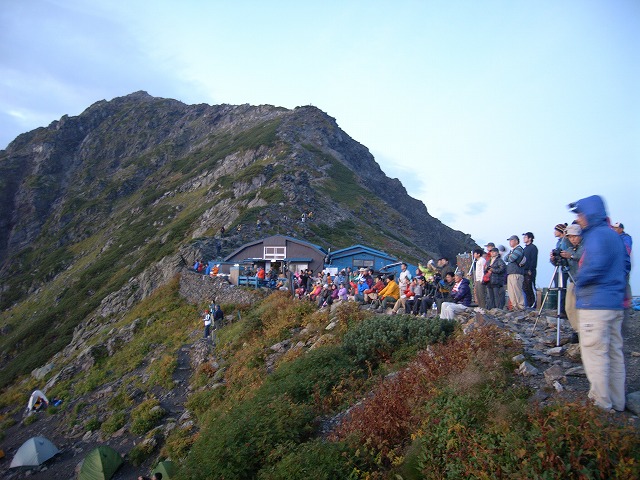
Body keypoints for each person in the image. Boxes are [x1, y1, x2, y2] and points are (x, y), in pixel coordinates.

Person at [569, 195, 627, 412]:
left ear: (589, 214)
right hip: (614, 303)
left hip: (596, 304)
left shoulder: (595, 237)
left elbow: (595, 266)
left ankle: (601, 405)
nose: (579, 219)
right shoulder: (613, 236)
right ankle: (618, 401)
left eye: (580, 214)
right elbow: (625, 264)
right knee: (614, 353)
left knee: (595, 353)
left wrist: (580, 282)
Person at [556, 223, 584, 334]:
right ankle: (577, 330)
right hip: (573, 280)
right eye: (570, 237)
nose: (572, 239)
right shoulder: (570, 248)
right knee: (569, 307)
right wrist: (556, 259)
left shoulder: (585, 247)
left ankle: (582, 331)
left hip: (583, 281)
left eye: (574, 236)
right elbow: (565, 263)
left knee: (581, 309)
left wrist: (571, 256)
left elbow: (583, 257)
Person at [613, 222, 633, 334]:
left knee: (625, 287)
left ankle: (626, 304)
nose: (614, 230)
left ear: (621, 229)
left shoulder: (626, 238)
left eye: (616, 228)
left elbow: (626, 251)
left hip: (622, 269)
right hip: (619, 269)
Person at [505, 235, 525, 311]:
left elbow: (511, 258)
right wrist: (510, 255)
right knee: (511, 292)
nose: (510, 242)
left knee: (517, 291)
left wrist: (510, 255)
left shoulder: (519, 249)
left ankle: (521, 306)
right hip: (510, 273)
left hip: (516, 273)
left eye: (511, 240)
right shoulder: (512, 250)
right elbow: (505, 258)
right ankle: (514, 306)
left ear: (516, 241)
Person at [522, 232, 539, 308]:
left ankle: (533, 305)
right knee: (525, 288)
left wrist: (530, 270)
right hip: (524, 271)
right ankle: (528, 305)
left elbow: (533, 260)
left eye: (525, 237)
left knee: (531, 288)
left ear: (530, 238)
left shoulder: (533, 248)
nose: (524, 239)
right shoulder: (525, 248)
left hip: (530, 271)